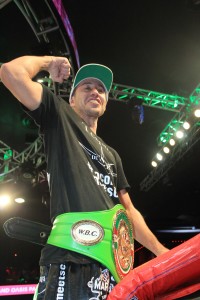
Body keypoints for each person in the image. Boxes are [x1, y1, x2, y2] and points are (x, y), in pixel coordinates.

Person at [0, 56, 168, 300]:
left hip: (111, 270)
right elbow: (10, 72)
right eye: (86, 87)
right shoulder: (60, 117)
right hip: (72, 258)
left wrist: (161, 251)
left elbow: (128, 211)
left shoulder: (112, 155)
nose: (95, 92)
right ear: (71, 98)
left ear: (106, 103)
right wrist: (48, 63)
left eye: (101, 89)